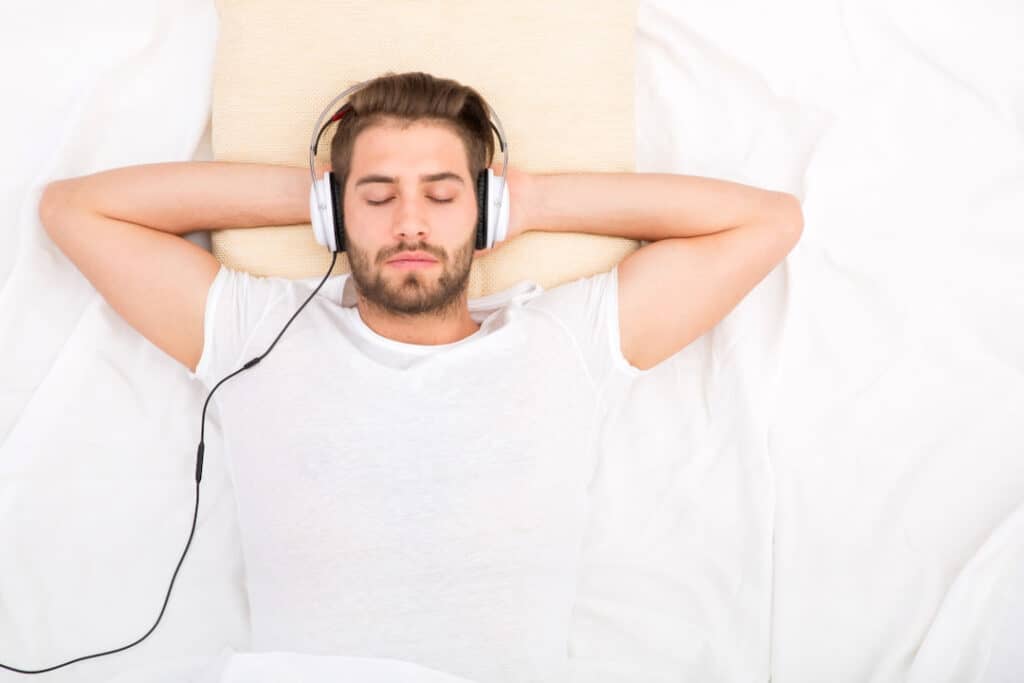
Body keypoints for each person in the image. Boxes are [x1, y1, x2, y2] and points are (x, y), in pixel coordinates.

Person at [37, 71, 803, 682]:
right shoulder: (259, 331)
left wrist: (526, 198)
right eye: (377, 196)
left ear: (485, 208)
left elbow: (769, 222)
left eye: (442, 194)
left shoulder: (570, 341)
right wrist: (316, 195)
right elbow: (78, 210)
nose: (410, 221)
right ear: (337, 213)